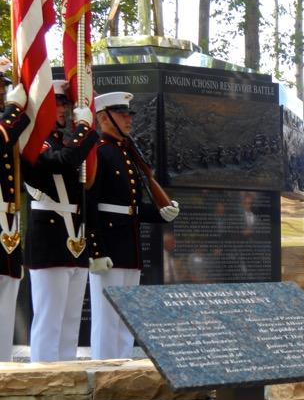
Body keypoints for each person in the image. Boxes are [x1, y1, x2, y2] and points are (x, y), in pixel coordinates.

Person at [88, 91, 180, 359]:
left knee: (126, 316)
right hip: (110, 245)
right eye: (122, 114)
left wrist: (160, 213)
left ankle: (122, 362)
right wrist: (96, 249)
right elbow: (89, 205)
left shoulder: (127, 154)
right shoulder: (99, 153)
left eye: (129, 114)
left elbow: (132, 208)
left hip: (130, 246)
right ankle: (104, 370)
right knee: (107, 316)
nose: (128, 120)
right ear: (104, 119)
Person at [23, 80, 98, 362]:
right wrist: (84, 131)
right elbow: (61, 162)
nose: (63, 109)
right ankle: (44, 381)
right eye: (56, 103)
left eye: (64, 103)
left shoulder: (60, 140)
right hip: (50, 238)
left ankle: (70, 384)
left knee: (70, 324)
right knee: (49, 320)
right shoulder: (34, 142)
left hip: (73, 239)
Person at [0, 71, 29, 362]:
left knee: (6, 310)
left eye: (3, 86)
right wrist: (13, 111)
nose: (2, 91)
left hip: (7, 228)